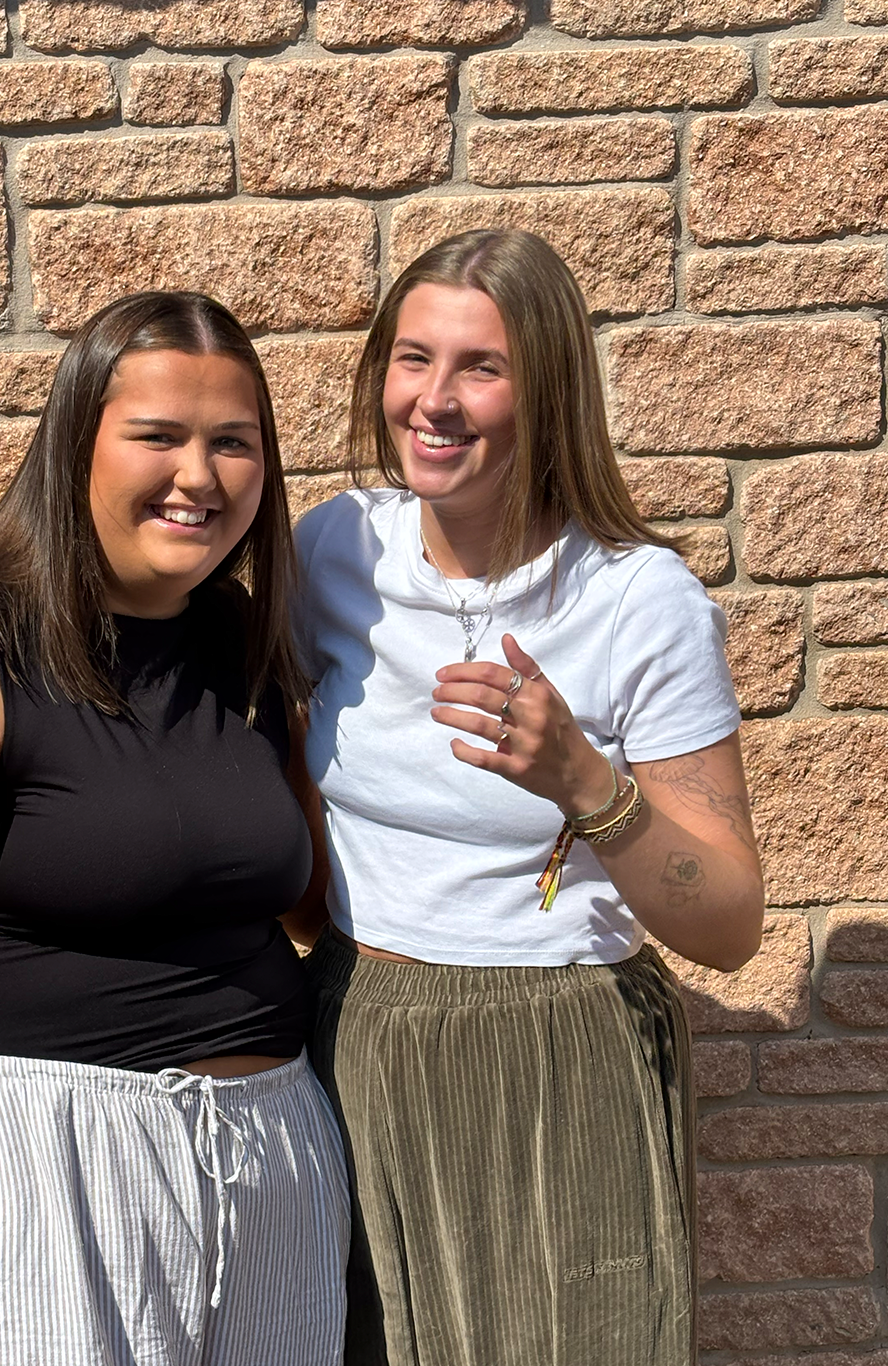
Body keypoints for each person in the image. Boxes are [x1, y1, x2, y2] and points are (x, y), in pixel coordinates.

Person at [0, 291, 349, 1366]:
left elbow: (307, 898)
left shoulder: (242, 640)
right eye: (158, 435)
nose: (201, 474)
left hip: (272, 1169)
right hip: (44, 1172)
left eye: (234, 442)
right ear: (76, 443)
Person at [292, 230, 765, 1366]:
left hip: (559, 1057)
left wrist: (587, 786)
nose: (434, 401)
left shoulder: (637, 600)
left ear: (547, 390)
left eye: (480, 368)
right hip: (353, 1030)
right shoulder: (331, 549)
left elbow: (731, 925)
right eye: (413, 359)